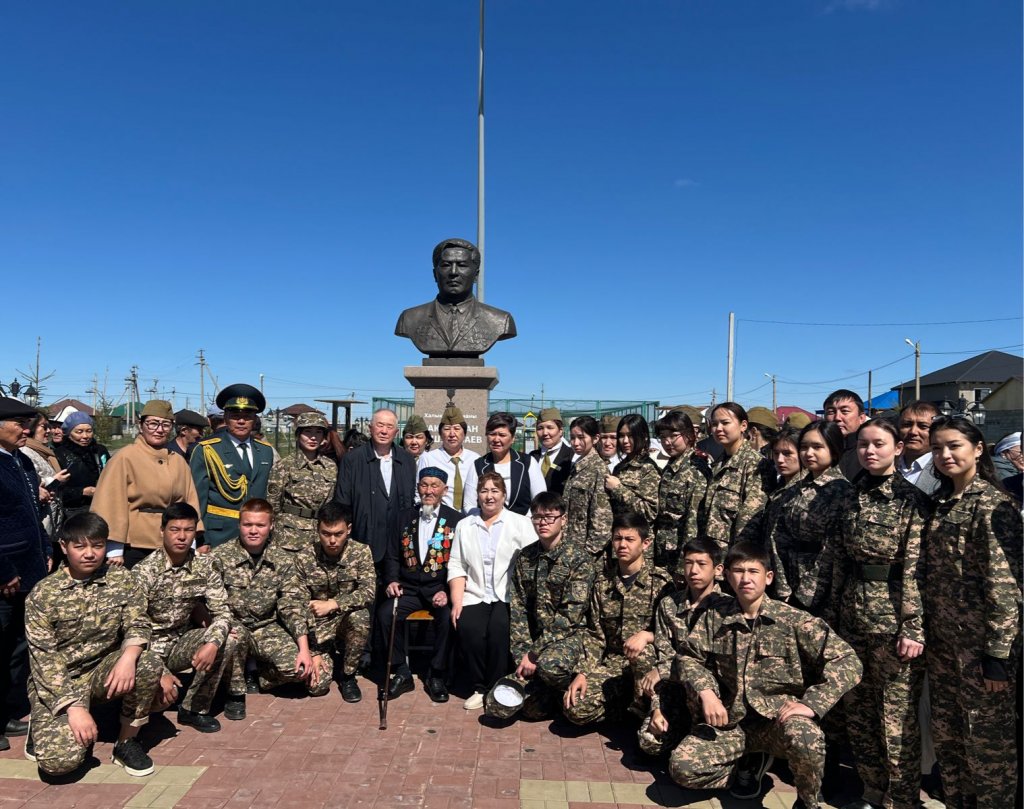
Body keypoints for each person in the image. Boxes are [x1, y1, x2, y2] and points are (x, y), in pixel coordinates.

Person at [669, 541, 862, 809]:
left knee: (807, 737)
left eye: (753, 572)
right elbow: (688, 657)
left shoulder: (793, 620)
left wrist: (811, 704)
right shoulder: (715, 616)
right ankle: (744, 769)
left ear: (768, 577)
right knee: (683, 768)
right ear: (727, 576)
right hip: (731, 723)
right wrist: (707, 692)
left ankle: (808, 803)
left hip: (776, 723)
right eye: (739, 571)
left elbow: (848, 660)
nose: (745, 579)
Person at [827, 418, 929, 809]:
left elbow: (915, 567)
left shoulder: (910, 499)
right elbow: (839, 559)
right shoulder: (851, 495)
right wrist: (834, 614)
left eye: (879, 444)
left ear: (898, 448)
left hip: (892, 621)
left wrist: (913, 627)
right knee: (859, 710)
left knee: (895, 716)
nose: (870, 451)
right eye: (863, 445)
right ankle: (871, 790)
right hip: (853, 616)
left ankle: (901, 798)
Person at [923, 416, 1022, 809]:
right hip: (944, 645)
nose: (945, 454)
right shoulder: (941, 503)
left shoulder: (995, 506)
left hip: (980, 650)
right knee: (950, 739)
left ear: (978, 449)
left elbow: (1005, 586)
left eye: (954, 446)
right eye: (937, 448)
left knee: (988, 745)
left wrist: (998, 655)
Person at [24, 513, 162, 778]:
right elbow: (44, 659)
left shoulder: (122, 579)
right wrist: (73, 707)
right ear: (64, 547)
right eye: (80, 546)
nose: (90, 554)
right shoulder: (43, 594)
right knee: (58, 764)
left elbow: (138, 624)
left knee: (147, 662)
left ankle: (126, 741)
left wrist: (128, 657)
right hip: (60, 681)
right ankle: (44, 722)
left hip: (103, 672)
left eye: (98, 546)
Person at [486, 493, 595, 721]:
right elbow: (519, 611)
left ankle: (573, 684)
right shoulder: (526, 557)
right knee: (498, 706)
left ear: (563, 519)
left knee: (550, 666)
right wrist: (522, 654)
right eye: (537, 517)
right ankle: (551, 695)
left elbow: (570, 617)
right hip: (535, 644)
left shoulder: (579, 559)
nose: (542, 523)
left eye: (549, 517)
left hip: (569, 639)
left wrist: (534, 654)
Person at [132, 503, 236, 731]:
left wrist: (212, 643)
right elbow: (132, 627)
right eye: (175, 530)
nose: (181, 536)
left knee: (227, 639)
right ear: (162, 531)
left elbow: (222, 612)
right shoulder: (144, 571)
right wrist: (159, 672)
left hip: (180, 642)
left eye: (188, 530)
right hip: (149, 649)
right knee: (155, 704)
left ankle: (193, 708)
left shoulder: (205, 565)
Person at [563, 513, 674, 726]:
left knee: (643, 654)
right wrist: (583, 672)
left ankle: (647, 710)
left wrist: (648, 635)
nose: (622, 545)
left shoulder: (662, 584)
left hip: (649, 666)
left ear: (645, 543)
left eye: (630, 539)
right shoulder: (603, 585)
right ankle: (625, 708)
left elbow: (673, 634)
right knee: (575, 709)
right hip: (614, 664)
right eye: (617, 538)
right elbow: (595, 636)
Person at [447, 471, 535, 709]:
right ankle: (479, 687)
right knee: (469, 627)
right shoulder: (466, 525)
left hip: (507, 594)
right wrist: (457, 602)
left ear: (504, 495)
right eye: (484, 491)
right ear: (477, 495)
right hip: (476, 593)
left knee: (499, 630)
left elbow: (532, 562)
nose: (489, 496)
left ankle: (497, 685)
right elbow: (456, 564)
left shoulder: (520, 524)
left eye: (495, 491)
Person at [212, 499, 316, 699]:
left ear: (271, 526)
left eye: (260, 525)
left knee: (299, 670)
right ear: (239, 525)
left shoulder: (283, 560)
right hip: (233, 629)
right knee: (233, 643)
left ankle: (258, 673)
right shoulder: (219, 557)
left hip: (265, 628)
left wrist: (304, 649)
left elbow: (291, 606)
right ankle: (234, 689)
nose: (253, 531)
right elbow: (209, 603)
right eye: (247, 524)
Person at [378, 468, 464, 703]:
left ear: (444, 490)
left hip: (438, 589)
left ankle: (436, 673)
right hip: (408, 589)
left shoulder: (457, 520)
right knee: (386, 615)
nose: (429, 491)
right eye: (424, 485)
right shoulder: (403, 517)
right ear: (418, 488)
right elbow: (392, 555)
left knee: (449, 618)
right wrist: (392, 580)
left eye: (435, 486)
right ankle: (401, 671)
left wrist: (446, 591)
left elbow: (459, 560)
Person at [637, 538, 727, 758]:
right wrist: (656, 707)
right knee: (650, 742)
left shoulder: (727, 609)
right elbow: (662, 656)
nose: (693, 570)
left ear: (718, 570)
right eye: (688, 563)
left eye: (701, 564)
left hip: (711, 697)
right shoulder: (669, 604)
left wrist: (664, 670)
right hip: (675, 691)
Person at [90, 400, 204, 569]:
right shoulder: (125, 457)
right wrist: (114, 548)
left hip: (173, 542)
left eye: (166, 425)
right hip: (134, 544)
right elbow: (110, 503)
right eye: (153, 423)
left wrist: (191, 538)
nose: (159, 429)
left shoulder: (178, 461)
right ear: (140, 425)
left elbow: (190, 501)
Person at [0, 397, 52, 753]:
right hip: (5, 575)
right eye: (19, 424)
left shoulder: (21, 460)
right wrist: (3, 570)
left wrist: (45, 550)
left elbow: (32, 513)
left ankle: (7, 711)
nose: (26, 430)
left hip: (28, 571)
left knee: (17, 647)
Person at [767, 420, 855, 616]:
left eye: (817, 447)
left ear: (834, 450)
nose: (808, 453)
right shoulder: (795, 488)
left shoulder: (842, 492)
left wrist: (805, 593)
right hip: (787, 580)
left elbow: (832, 549)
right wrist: (782, 586)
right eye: (804, 447)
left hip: (819, 591)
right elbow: (777, 537)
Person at [291, 502, 375, 703]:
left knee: (361, 617)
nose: (332, 541)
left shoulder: (361, 552)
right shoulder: (304, 557)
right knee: (317, 688)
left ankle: (348, 675)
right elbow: (296, 604)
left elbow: (369, 592)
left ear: (349, 529)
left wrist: (334, 604)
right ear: (317, 530)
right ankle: (327, 658)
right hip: (316, 628)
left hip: (345, 621)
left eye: (338, 534)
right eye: (326, 534)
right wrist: (313, 651)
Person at [394, 237, 517, 358]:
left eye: (462, 265)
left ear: (476, 275)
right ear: (435, 274)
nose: (453, 272)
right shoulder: (409, 318)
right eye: (446, 265)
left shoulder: (501, 320)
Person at [190, 384, 275, 549]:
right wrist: (201, 539)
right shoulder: (207, 449)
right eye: (235, 416)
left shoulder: (265, 451)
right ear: (226, 418)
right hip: (219, 534)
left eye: (247, 416)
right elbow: (197, 498)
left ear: (254, 420)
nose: (241, 421)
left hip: (256, 535)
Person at [333, 408, 418, 566]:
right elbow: (342, 502)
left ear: (396, 432)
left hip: (399, 545)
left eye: (389, 427)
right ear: (370, 428)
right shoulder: (353, 460)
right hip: (363, 542)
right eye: (380, 425)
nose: (384, 431)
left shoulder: (407, 460)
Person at [698, 403, 773, 556]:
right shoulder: (719, 463)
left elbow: (750, 521)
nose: (718, 429)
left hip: (735, 556)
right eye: (714, 424)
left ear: (743, 425)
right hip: (712, 554)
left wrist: (738, 560)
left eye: (725, 423)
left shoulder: (756, 464)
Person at [266, 411, 337, 554]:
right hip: (290, 534)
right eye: (307, 432)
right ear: (298, 435)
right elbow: (273, 504)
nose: (313, 437)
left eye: (318, 432)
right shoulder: (284, 466)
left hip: (321, 533)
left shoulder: (330, 466)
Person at [652, 411, 710, 572]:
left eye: (673, 436)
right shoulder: (671, 466)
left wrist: (684, 565)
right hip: (664, 550)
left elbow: (693, 522)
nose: (667, 442)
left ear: (689, 435)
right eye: (663, 437)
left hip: (679, 555)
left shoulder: (695, 469)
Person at [467, 413, 546, 516]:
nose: (496, 439)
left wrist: (523, 521)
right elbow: (469, 505)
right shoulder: (478, 465)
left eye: (502, 435)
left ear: (513, 438)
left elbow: (541, 500)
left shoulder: (527, 462)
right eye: (492, 434)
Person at [561, 415, 614, 557]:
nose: (576, 443)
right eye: (572, 438)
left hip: (585, 553)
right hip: (570, 546)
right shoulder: (578, 466)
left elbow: (602, 519)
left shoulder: (598, 470)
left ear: (595, 439)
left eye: (581, 437)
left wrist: (588, 554)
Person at [418, 403, 480, 512]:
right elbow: (419, 492)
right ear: (440, 434)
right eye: (447, 429)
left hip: (469, 516)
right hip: (439, 517)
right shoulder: (428, 458)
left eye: (457, 429)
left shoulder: (475, 459)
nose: (452, 434)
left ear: (464, 433)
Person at [20, 411, 69, 541]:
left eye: (49, 427)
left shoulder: (44, 451)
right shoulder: (25, 452)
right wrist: (55, 480)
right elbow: (30, 483)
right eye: (44, 427)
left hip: (51, 518)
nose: (49, 431)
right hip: (40, 520)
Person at [53, 411, 109, 524]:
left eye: (89, 431)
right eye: (79, 432)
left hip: (101, 507)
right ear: (68, 433)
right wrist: (81, 492)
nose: (85, 436)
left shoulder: (99, 451)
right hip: (72, 513)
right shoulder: (58, 455)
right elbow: (55, 491)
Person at [605, 414, 660, 523]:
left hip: (637, 532)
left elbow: (649, 512)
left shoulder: (648, 468)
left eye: (631, 436)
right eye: (621, 436)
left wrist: (617, 489)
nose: (625, 441)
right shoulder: (620, 467)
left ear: (644, 436)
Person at [895, 401, 941, 495]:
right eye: (907, 425)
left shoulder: (945, 469)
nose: (913, 432)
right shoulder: (885, 463)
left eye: (923, 426)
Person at [823, 389, 867, 481]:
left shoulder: (871, 451)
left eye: (845, 411)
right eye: (831, 412)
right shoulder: (816, 451)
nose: (837, 418)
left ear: (861, 418)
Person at [529, 407, 573, 496]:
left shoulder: (572, 457)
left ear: (560, 431)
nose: (545, 433)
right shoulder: (531, 457)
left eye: (550, 427)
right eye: (540, 428)